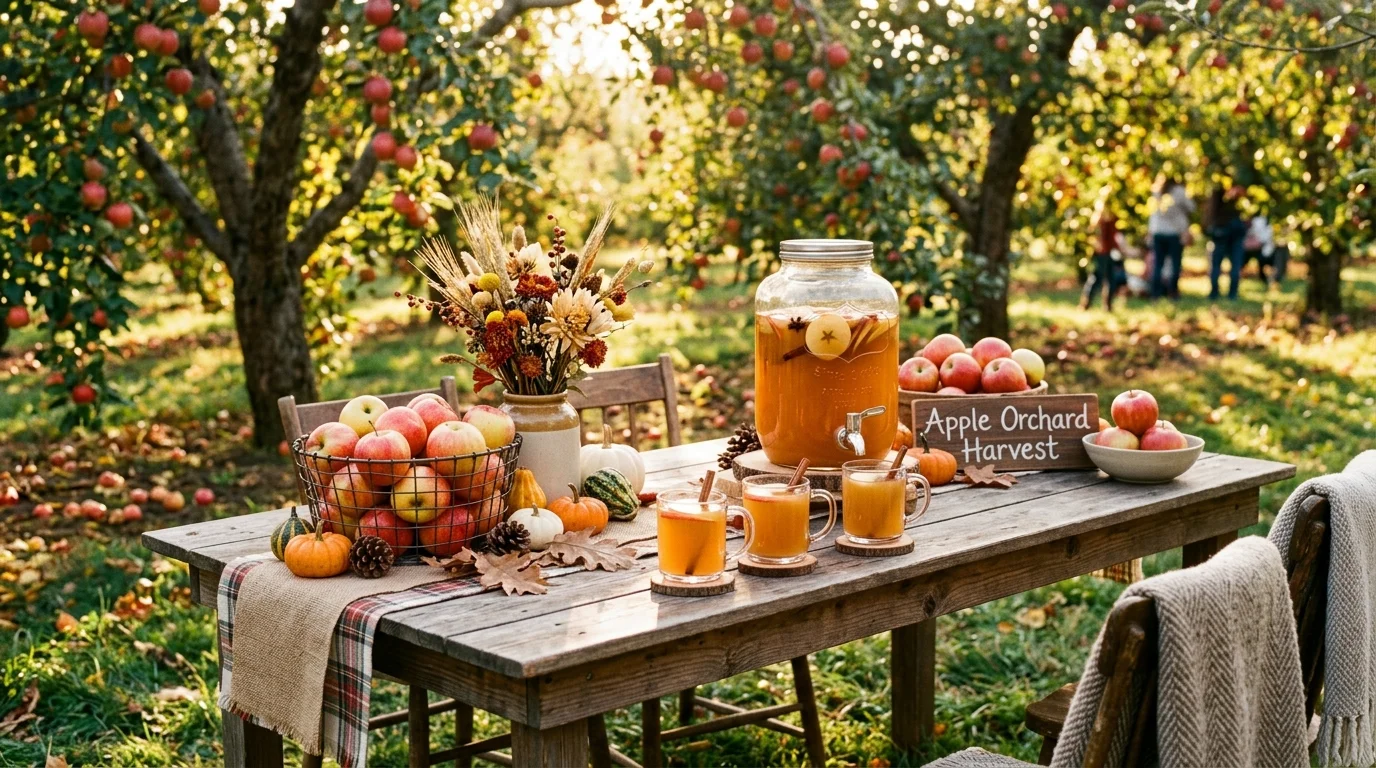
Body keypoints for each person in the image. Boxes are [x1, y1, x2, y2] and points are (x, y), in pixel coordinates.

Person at [1146, 176, 1194, 299]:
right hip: (1174, 233)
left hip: (1158, 231)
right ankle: (1172, 292)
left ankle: (1155, 293)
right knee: (1175, 264)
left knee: (1158, 264)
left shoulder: (1156, 191)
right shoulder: (1179, 191)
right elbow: (1192, 207)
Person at [1080, 203, 1128, 311]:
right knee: (1098, 278)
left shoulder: (1111, 219)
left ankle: (1107, 305)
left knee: (1109, 279)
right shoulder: (1100, 219)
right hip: (1102, 253)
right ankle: (1087, 304)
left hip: (1108, 252)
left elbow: (1113, 236)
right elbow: (1097, 237)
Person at [1206, 185, 1248, 300]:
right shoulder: (1240, 184)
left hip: (1223, 229)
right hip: (1231, 229)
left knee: (1218, 264)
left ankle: (1216, 293)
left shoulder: (1218, 184)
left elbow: (1211, 208)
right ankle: (1231, 294)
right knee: (1233, 263)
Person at [1242, 210, 1276, 287]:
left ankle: (1265, 278)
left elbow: (1267, 237)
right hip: (1251, 248)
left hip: (1262, 248)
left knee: (1263, 261)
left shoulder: (1264, 222)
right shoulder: (1252, 223)